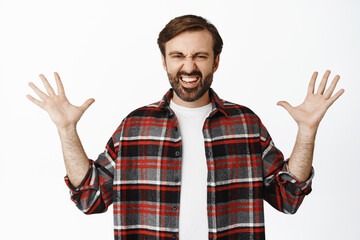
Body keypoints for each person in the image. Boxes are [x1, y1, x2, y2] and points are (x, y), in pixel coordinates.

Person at [27, 15, 344, 240]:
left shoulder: (245, 124)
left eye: (200, 56)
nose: (189, 67)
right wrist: (67, 130)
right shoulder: (135, 126)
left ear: (215, 62)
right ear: (164, 61)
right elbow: (91, 198)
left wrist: (307, 131)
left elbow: (288, 199)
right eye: (177, 55)